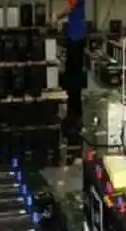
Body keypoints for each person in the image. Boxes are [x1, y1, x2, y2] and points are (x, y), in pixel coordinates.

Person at [53, 0, 86, 133]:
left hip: (76, 37)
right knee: (72, 73)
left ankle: (75, 112)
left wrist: (57, 16)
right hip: (75, 34)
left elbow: (70, 8)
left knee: (73, 75)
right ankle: (74, 109)